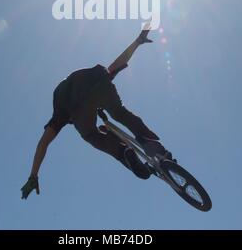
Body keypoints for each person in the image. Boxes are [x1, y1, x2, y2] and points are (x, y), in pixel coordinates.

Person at [21, 28, 173, 199]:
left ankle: (122, 151)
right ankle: (153, 145)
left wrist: (33, 175)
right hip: (98, 80)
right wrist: (138, 41)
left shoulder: (61, 112)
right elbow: (118, 63)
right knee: (120, 114)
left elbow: (43, 143)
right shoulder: (85, 79)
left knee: (90, 134)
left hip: (73, 101)